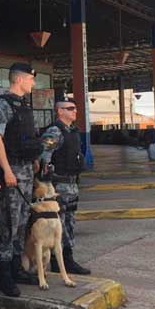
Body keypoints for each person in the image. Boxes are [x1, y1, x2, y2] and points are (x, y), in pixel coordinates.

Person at [0, 62, 42, 297]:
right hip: (11, 174)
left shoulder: (24, 105)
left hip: (26, 172)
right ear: (19, 79)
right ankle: (5, 276)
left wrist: (35, 160)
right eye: (30, 79)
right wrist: (7, 170)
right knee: (8, 226)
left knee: (21, 224)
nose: (33, 83)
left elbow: (29, 137)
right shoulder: (2, 104)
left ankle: (17, 269)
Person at [39, 93, 90, 275]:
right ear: (60, 111)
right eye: (70, 108)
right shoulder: (55, 131)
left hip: (71, 185)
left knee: (69, 223)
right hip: (58, 186)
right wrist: (46, 182)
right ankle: (58, 260)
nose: (75, 111)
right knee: (58, 225)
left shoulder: (71, 131)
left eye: (75, 108)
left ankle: (67, 258)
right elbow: (43, 156)